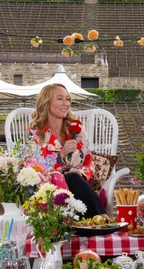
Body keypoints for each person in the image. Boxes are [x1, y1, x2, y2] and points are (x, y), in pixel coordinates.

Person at [27, 83, 105, 219]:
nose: (66, 103)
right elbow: (34, 167)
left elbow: (88, 160)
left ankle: (92, 222)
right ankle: (102, 218)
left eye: (68, 99)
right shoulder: (34, 133)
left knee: (74, 177)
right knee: (70, 177)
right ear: (46, 103)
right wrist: (61, 155)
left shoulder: (77, 130)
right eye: (60, 99)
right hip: (49, 187)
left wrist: (82, 173)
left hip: (80, 186)